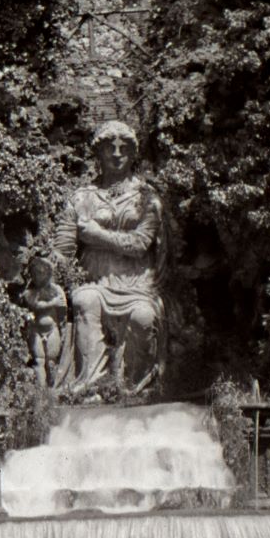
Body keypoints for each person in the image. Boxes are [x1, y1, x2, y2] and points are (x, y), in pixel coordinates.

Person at [53, 120, 165, 397]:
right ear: (98, 153)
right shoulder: (81, 198)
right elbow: (63, 247)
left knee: (143, 317)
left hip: (137, 286)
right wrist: (54, 274)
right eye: (109, 148)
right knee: (84, 300)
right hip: (96, 281)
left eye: (124, 148)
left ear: (133, 153)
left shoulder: (147, 197)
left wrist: (96, 235)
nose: (116, 154)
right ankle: (90, 385)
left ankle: (133, 387)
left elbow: (140, 244)